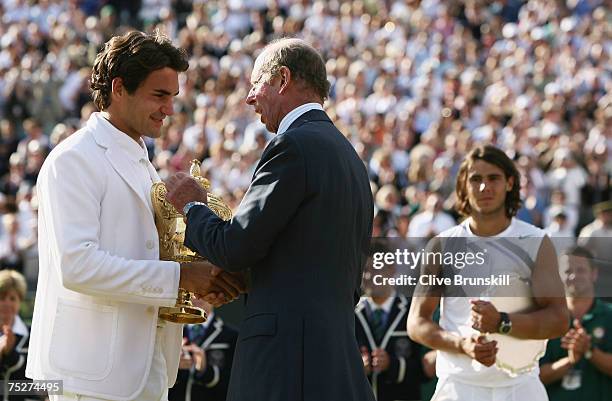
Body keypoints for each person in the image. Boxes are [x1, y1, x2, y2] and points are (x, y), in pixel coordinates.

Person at [26, 30, 245, 401]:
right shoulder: (73, 159)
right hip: (89, 378)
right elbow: (78, 266)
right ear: (119, 88)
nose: (169, 109)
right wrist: (183, 276)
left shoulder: (143, 162)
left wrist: (206, 272)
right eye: (159, 95)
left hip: (145, 371)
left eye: (173, 97)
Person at [165, 38, 375, 401]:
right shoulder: (349, 158)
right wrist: (245, 280)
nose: (249, 98)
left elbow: (235, 245)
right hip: (333, 359)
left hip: (287, 364)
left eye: (254, 84)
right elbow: (310, 261)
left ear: (282, 79)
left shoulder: (292, 145)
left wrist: (193, 206)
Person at [407, 144, 569, 401]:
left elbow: (559, 319)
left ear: (509, 183)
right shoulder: (442, 244)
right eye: (476, 179)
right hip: (458, 386)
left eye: (493, 178)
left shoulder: (536, 241)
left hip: (521, 386)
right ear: (464, 185)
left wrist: (503, 322)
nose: (485, 187)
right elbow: (416, 323)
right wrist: (461, 345)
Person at [540, 246, 612, 400]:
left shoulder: (609, 315)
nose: (573, 276)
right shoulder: (545, 317)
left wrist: (590, 350)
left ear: (594, 274)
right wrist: (569, 361)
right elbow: (535, 375)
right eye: (567, 271)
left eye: (581, 270)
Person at [356, 242, 425, 401]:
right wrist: (357, 367)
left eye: (376, 269)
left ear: (391, 270)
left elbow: (425, 369)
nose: (369, 276)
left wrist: (392, 365)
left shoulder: (411, 310)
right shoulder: (351, 314)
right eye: (364, 270)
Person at [169, 301, 238, 401]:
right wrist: (174, 367)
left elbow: (234, 383)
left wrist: (205, 370)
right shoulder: (171, 333)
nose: (198, 297)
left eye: (203, 291)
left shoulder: (231, 336)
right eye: (193, 292)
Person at [0, 270, 31, 401]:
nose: (7, 303)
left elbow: (38, 387)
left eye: (12, 298)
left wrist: (10, 354)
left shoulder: (32, 337)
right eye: (2, 298)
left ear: (20, 301)